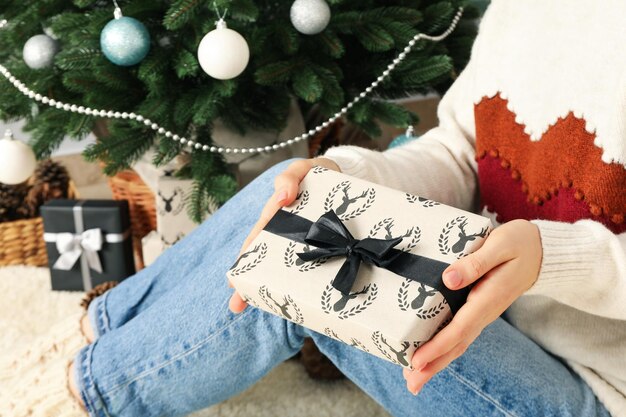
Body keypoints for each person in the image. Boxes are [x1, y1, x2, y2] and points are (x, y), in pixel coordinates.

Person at [2, 1, 624, 416]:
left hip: (599, 388)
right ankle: (101, 332)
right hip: (482, 306)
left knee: (322, 288)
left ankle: (79, 395)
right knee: (305, 191)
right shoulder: (532, 11)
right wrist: (344, 173)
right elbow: (462, 151)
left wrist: (553, 257)